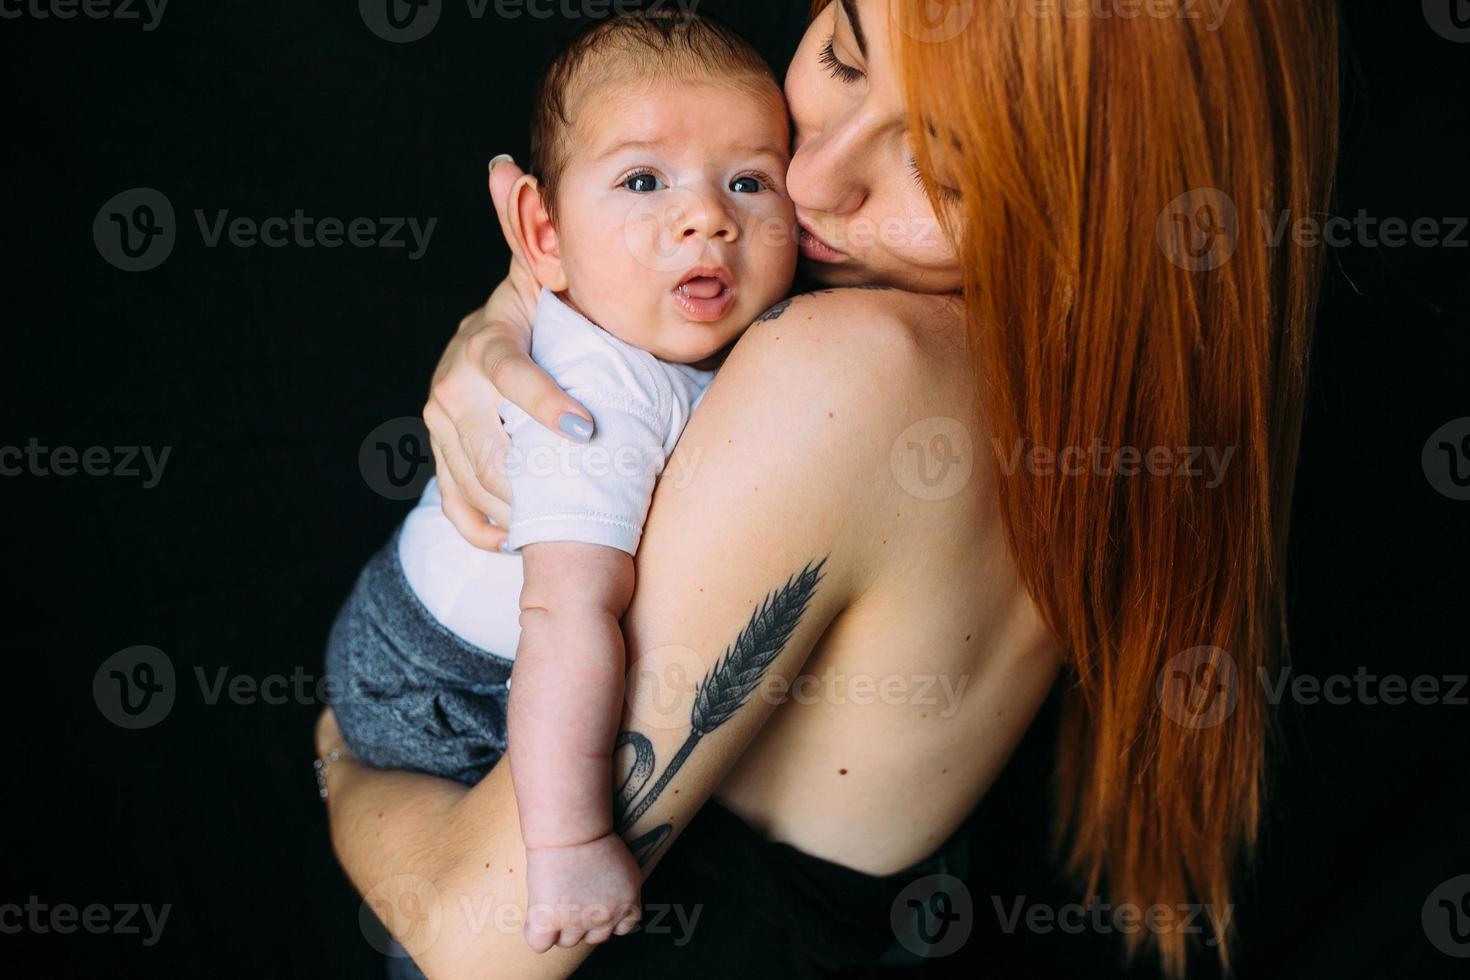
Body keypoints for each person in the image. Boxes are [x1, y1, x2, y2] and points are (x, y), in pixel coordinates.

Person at [316, 1, 1340, 977]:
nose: (809, 177)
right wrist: (517, 307)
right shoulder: (1083, 402)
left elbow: (474, 935)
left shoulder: (849, 369)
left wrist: (340, 755)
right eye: (843, 58)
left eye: (946, 163)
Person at [324, 12, 797, 954]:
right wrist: (570, 841)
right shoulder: (596, 399)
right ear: (541, 230)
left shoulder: (672, 328)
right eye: (641, 180)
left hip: (468, 643)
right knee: (499, 916)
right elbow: (564, 618)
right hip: (443, 679)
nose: (708, 215)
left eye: (748, 180)